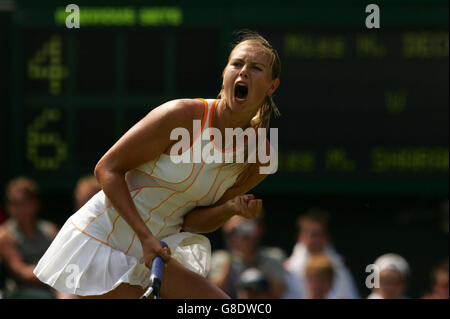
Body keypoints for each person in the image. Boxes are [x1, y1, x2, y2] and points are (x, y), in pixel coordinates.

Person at [33, 31, 281, 298]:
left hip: (156, 249)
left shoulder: (260, 157)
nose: (243, 72)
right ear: (225, 73)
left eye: (255, 68)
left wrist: (230, 209)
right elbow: (107, 169)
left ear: (271, 86)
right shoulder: (181, 115)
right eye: (237, 64)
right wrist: (145, 237)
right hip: (102, 240)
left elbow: (193, 222)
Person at [208, 214, 298, 299]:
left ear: (259, 228)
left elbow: (278, 292)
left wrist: (251, 259)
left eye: (247, 226)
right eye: (235, 230)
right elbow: (212, 292)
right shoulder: (219, 258)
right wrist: (231, 253)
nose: (241, 234)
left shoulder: (274, 256)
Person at [0, 177, 59, 298]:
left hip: (55, 284)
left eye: (23, 202)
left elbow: (64, 260)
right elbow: (20, 272)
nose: (18, 208)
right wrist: (55, 276)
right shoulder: (4, 235)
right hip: (21, 291)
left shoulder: (50, 229)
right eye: (13, 203)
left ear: (35, 204)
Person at [284, 208, 359, 299]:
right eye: (309, 233)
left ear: (327, 237)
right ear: (300, 236)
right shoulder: (288, 269)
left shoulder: (340, 269)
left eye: (318, 234)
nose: (313, 239)